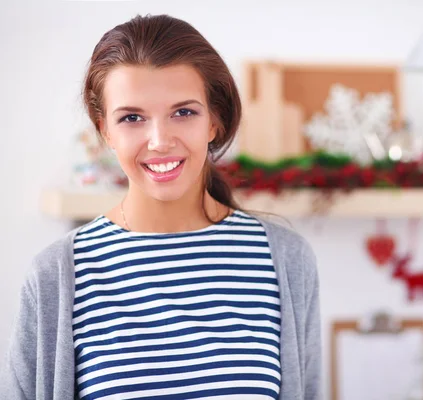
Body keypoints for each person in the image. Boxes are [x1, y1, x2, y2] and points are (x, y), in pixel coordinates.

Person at [1, 14, 322, 400]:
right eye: (132, 118)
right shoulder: (55, 276)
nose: (159, 141)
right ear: (105, 130)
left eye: (183, 112)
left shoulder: (285, 261)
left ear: (214, 121)